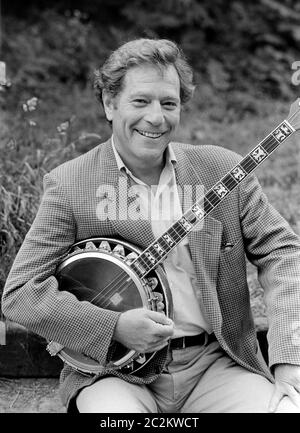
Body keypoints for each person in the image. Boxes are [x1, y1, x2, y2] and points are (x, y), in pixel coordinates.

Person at [2, 38, 300, 413]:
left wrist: (290, 357)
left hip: (217, 366)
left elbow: (284, 252)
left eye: (169, 103)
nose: (156, 117)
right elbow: (19, 295)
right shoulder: (71, 184)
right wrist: (114, 326)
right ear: (110, 104)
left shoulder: (221, 169)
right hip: (114, 374)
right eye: (140, 101)